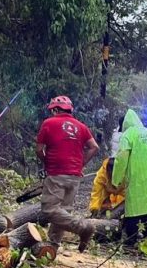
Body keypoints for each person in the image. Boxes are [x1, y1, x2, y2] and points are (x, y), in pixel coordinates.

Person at [36, 95, 100, 252]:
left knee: (50, 210)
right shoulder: (81, 126)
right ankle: (52, 246)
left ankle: (82, 227)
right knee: (63, 211)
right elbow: (94, 147)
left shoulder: (49, 123)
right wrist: (80, 164)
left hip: (57, 173)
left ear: (55, 110)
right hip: (74, 176)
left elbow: (39, 149)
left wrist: (47, 163)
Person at [111, 109, 147, 246]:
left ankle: (131, 242)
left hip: (136, 179)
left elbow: (121, 159)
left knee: (133, 211)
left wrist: (116, 180)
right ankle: (146, 241)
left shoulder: (128, 135)